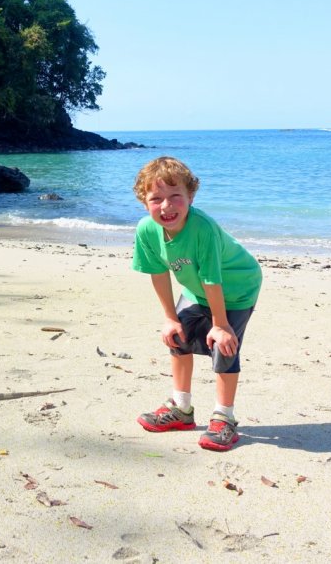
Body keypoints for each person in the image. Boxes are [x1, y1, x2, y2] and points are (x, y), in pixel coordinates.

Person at [130, 156, 262, 451]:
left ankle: (224, 417)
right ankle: (181, 408)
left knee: (223, 345)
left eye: (176, 196)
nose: (167, 206)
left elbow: (213, 279)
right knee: (178, 336)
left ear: (191, 196)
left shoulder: (202, 228)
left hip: (236, 287)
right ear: (144, 202)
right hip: (197, 289)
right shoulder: (146, 231)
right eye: (156, 199)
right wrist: (170, 318)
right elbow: (158, 273)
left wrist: (221, 325)